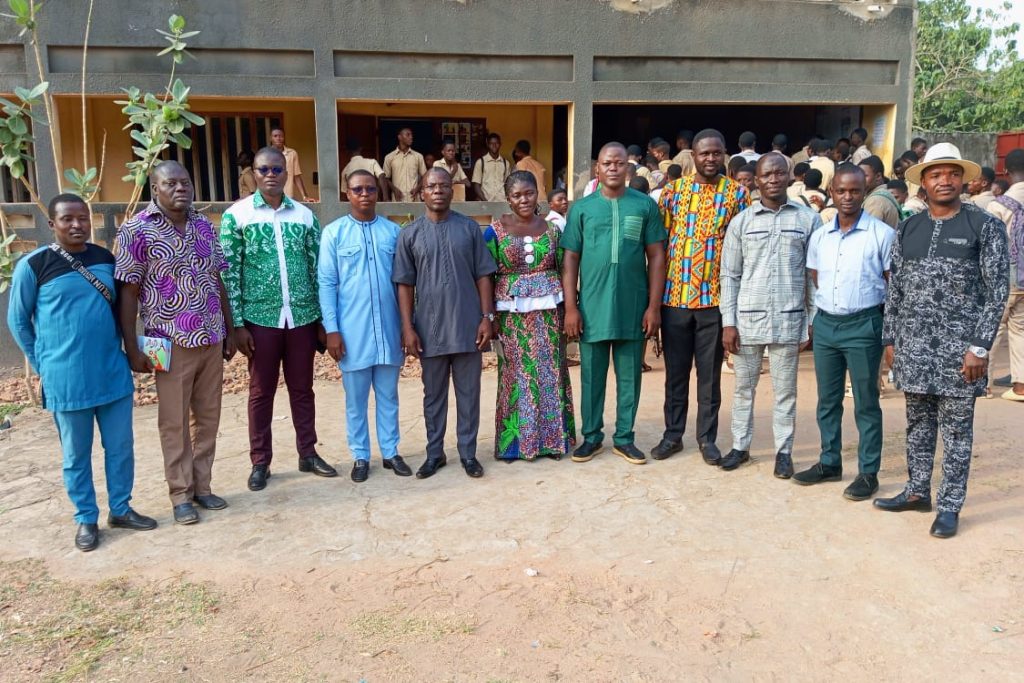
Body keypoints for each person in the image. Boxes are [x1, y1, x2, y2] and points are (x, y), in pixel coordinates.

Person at [8, 194, 158, 551]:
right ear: (52, 225)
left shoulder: (106, 260)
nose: (76, 225)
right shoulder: (35, 265)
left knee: (120, 447)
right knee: (76, 455)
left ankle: (120, 508)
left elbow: (124, 308)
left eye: (82, 218)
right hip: (65, 380)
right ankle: (85, 519)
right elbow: (18, 321)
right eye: (67, 219)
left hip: (111, 372)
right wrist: (43, 362)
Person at [874, 143, 1008, 538]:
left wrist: (979, 346)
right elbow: (895, 287)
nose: (944, 180)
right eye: (935, 174)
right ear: (924, 182)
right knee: (916, 423)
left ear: (963, 179)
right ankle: (917, 491)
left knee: (956, 432)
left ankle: (950, 505)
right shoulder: (909, 227)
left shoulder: (984, 226)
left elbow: (997, 290)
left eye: (951, 173)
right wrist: (891, 338)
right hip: (913, 346)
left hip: (960, 352)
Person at [116, 161, 235, 525]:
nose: (180, 188)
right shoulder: (136, 230)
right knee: (173, 421)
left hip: (210, 337)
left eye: (185, 181)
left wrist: (229, 329)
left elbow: (217, 281)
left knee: (208, 417)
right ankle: (180, 494)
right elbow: (128, 291)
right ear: (155, 188)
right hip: (164, 342)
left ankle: (203, 486)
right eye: (171, 183)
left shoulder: (203, 225)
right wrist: (132, 347)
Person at [220, 146, 336, 492]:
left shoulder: (303, 216)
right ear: (253, 174)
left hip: (301, 318)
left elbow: (318, 270)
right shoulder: (237, 216)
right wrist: (237, 325)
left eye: (277, 169)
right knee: (260, 393)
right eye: (263, 169)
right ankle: (260, 462)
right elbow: (229, 275)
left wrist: (320, 320)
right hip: (259, 320)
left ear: (287, 173)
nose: (271, 175)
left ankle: (308, 452)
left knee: (303, 390)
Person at [562, 142, 666, 466]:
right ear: (598, 168)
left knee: (630, 377)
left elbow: (657, 256)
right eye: (607, 163)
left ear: (627, 168)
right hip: (591, 307)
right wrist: (570, 308)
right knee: (591, 375)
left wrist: (653, 306)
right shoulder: (582, 209)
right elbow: (570, 259)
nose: (612, 168)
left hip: (633, 306)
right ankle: (591, 437)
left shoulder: (644, 206)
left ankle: (624, 438)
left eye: (619, 163)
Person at [794, 165, 895, 497]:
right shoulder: (821, 235)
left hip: (864, 325)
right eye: (841, 191)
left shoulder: (881, 234)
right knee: (827, 399)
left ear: (864, 192)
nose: (847, 197)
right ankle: (829, 462)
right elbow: (815, 277)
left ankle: (868, 472)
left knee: (866, 401)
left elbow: (891, 284)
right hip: (826, 325)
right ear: (831, 192)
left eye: (854, 191)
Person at [719, 152, 821, 473]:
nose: (773, 179)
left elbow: (814, 276)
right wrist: (728, 323)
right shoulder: (742, 222)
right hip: (747, 321)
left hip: (789, 319)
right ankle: (740, 447)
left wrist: (812, 320)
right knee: (743, 389)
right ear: (757, 179)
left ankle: (784, 452)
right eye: (767, 175)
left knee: (785, 391)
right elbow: (729, 275)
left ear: (789, 177)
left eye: (779, 173)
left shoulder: (808, 220)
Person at [652, 128, 749, 465]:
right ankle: (672, 435)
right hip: (675, 299)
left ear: (724, 154)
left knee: (709, 377)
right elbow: (659, 247)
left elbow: (741, 251)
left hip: (715, 301)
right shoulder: (672, 193)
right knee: (675, 374)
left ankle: (707, 440)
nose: (710, 158)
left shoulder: (737, 195)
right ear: (692, 155)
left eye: (716, 153)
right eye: (704, 153)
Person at [393, 167, 497, 479]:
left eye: (443, 185)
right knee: (433, 396)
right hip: (429, 329)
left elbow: (483, 275)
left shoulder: (469, 230)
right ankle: (434, 454)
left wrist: (486, 318)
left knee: (469, 394)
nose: (437, 190)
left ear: (452, 191)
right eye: (431, 186)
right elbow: (404, 284)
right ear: (421, 193)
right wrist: (407, 327)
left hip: (468, 327)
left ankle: (468, 454)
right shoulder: (409, 235)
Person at [318, 170, 410, 482]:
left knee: (389, 396)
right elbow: (327, 284)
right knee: (355, 400)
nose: (365, 194)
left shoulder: (392, 233)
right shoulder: (334, 234)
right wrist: (331, 329)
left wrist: (406, 326)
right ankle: (359, 455)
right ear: (347, 193)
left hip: (388, 329)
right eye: (358, 189)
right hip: (351, 332)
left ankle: (390, 452)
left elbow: (404, 283)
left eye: (370, 188)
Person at [483, 171, 576, 461]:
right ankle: (514, 445)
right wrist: (489, 315)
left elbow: (565, 269)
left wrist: (570, 309)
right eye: (516, 195)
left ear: (539, 193)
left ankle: (551, 442)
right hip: (511, 317)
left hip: (549, 315)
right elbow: (486, 274)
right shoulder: (495, 231)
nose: (523, 199)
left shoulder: (553, 229)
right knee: (516, 376)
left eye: (529, 193)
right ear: (508, 198)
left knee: (550, 373)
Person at [987, 148, 1024, 402]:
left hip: (1003, 276)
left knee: (994, 328)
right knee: (1020, 330)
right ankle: (1021, 386)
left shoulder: (997, 205)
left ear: (1006, 172)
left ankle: (984, 384)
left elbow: (989, 245)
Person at [383, 127, 427, 202]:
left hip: (414, 199)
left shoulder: (418, 156)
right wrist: (394, 189)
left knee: (416, 214)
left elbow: (425, 176)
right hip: (398, 199)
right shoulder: (389, 157)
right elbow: (385, 178)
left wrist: (417, 189)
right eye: (408, 135)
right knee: (398, 214)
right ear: (399, 137)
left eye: (411, 135)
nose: (411, 137)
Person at [859, 155, 901, 229]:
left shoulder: (875, 201)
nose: (859, 179)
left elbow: (869, 233)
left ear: (878, 176)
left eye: (864, 176)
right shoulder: (883, 194)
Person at [340, 137, 388, 201]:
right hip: (372, 200)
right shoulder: (372, 162)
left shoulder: (345, 170)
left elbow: (344, 193)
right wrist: (385, 198)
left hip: (356, 204)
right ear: (360, 148)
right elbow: (381, 176)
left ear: (347, 151)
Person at [270, 127, 311, 202]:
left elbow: (297, 176)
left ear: (284, 137)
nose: (278, 138)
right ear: (271, 138)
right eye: (275, 136)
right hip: (270, 196)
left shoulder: (292, 153)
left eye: (281, 136)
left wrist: (305, 196)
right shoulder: (266, 154)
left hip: (287, 196)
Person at [472, 132, 512, 202]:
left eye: (496, 143)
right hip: (485, 202)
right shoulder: (481, 162)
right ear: (488, 145)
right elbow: (476, 185)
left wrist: (508, 199)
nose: (494, 146)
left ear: (500, 144)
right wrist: (485, 201)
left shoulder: (506, 163)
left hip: (502, 201)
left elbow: (508, 184)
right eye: (491, 143)